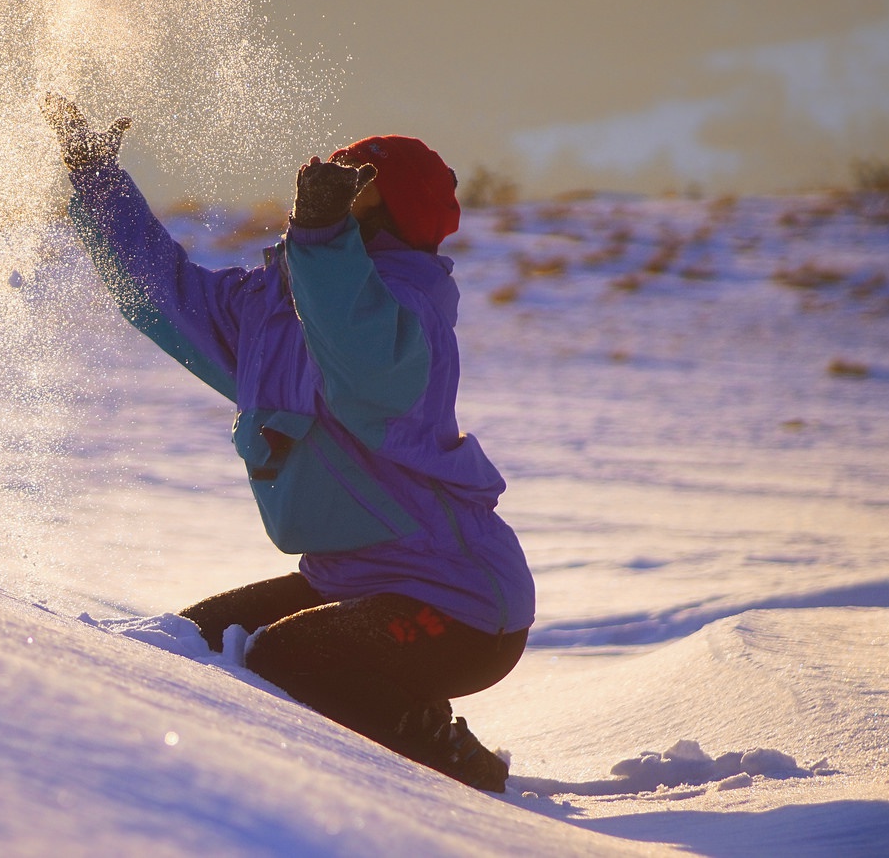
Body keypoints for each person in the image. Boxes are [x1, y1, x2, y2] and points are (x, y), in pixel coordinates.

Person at [42, 95, 534, 792]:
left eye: (353, 182)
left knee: (288, 658)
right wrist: (97, 184)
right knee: (190, 645)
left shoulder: (409, 312)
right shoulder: (273, 308)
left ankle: (451, 778)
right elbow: (163, 296)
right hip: (356, 582)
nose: (328, 184)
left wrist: (321, 240)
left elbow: (361, 360)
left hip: (464, 604)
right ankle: (396, 715)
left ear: (382, 208)